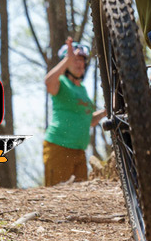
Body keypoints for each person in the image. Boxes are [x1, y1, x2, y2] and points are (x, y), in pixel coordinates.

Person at [43, 38, 106, 186]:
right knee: (58, 196)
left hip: (79, 151)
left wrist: (104, 112)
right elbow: (48, 82)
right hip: (59, 147)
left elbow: (89, 120)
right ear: (66, 63)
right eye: (75, 60)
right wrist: (67, 59)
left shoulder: (82, 88)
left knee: (78, 199)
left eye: (82, 60)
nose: (80, 63)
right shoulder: (61, 82)